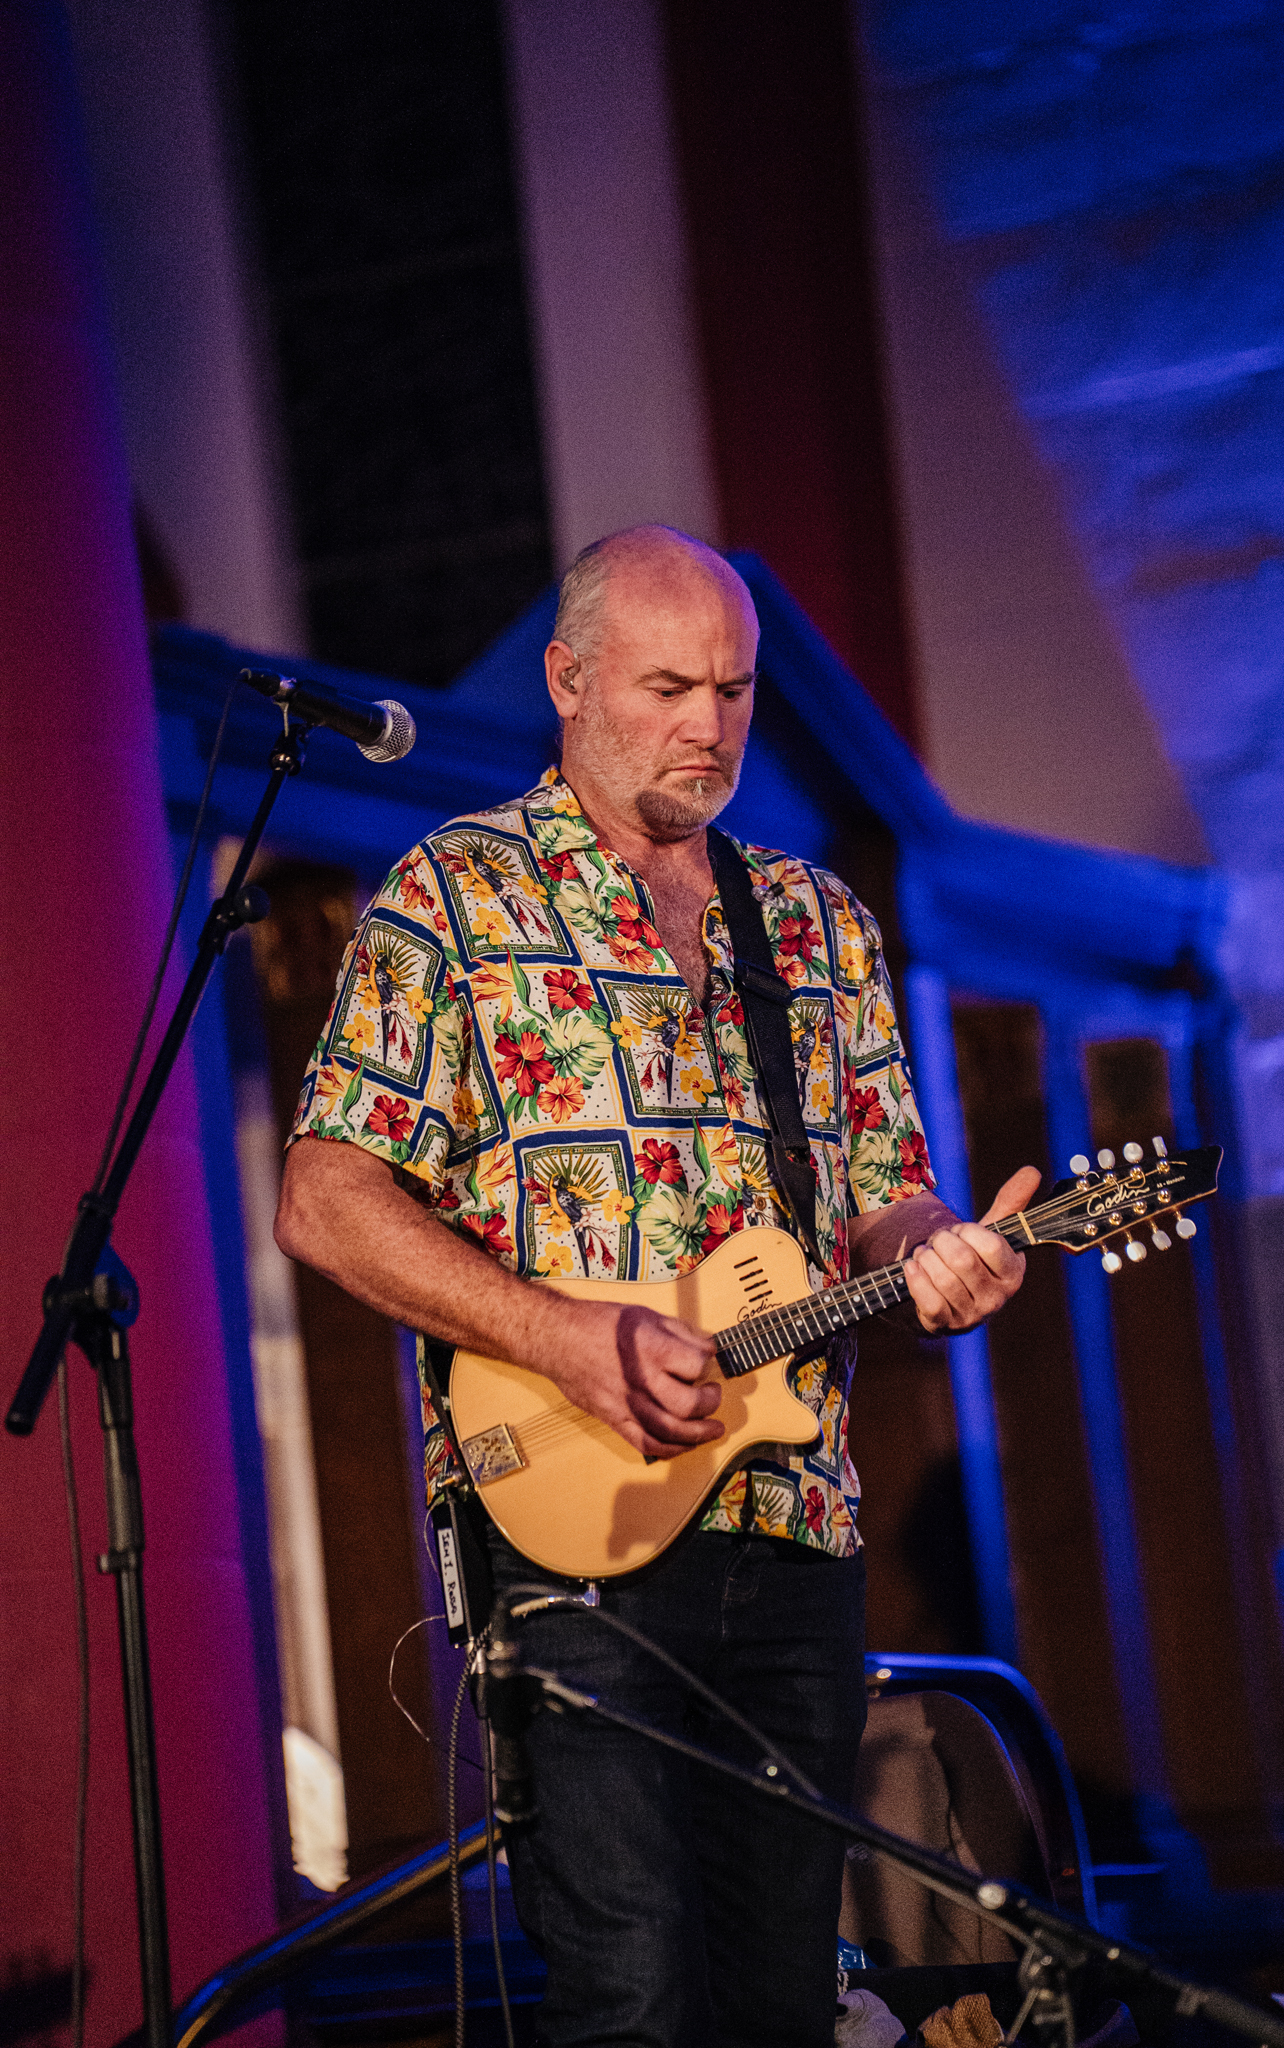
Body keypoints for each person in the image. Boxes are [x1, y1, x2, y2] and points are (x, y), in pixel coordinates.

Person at [275, 525, 1036, 2048]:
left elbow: (883, 1200)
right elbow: (325, 1197)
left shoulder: (815, 923)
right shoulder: (454, 897)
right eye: (669, 688)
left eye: (734, 692)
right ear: (568, 682)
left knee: (781, 2002)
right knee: (630, 1998)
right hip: (573, 1545)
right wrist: (557, 1333)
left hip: (794, 1527)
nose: (710, 726)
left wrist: (937, 1255)